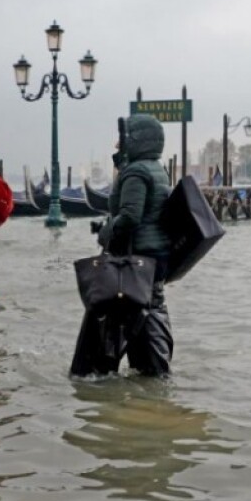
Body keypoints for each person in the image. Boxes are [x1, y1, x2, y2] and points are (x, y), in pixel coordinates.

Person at [71, 114, 173, 378]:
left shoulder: (137, 171)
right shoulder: (156, 168)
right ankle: (149, 377)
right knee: (144, 310)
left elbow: (129, 216)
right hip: (153, 258)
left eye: (124, 138)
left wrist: (106, 232)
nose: (118, 143)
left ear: (137, 139)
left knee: (134, 314)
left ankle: (141, 374)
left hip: (137, 256)